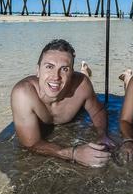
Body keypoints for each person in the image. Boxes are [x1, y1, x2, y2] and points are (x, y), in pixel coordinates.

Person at [10, 39, 114, 167]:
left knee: (84, 78)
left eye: (64, 69)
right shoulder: (24, 94)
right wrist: (74, 153)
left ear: (71, 73)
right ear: (37, 70)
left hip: (74, 84)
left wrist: (102, 134)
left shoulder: (81, 85)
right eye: (49, 67)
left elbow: (97, 111)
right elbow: (31, 143)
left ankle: (84, 70)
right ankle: (85, 69)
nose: (56, 76)